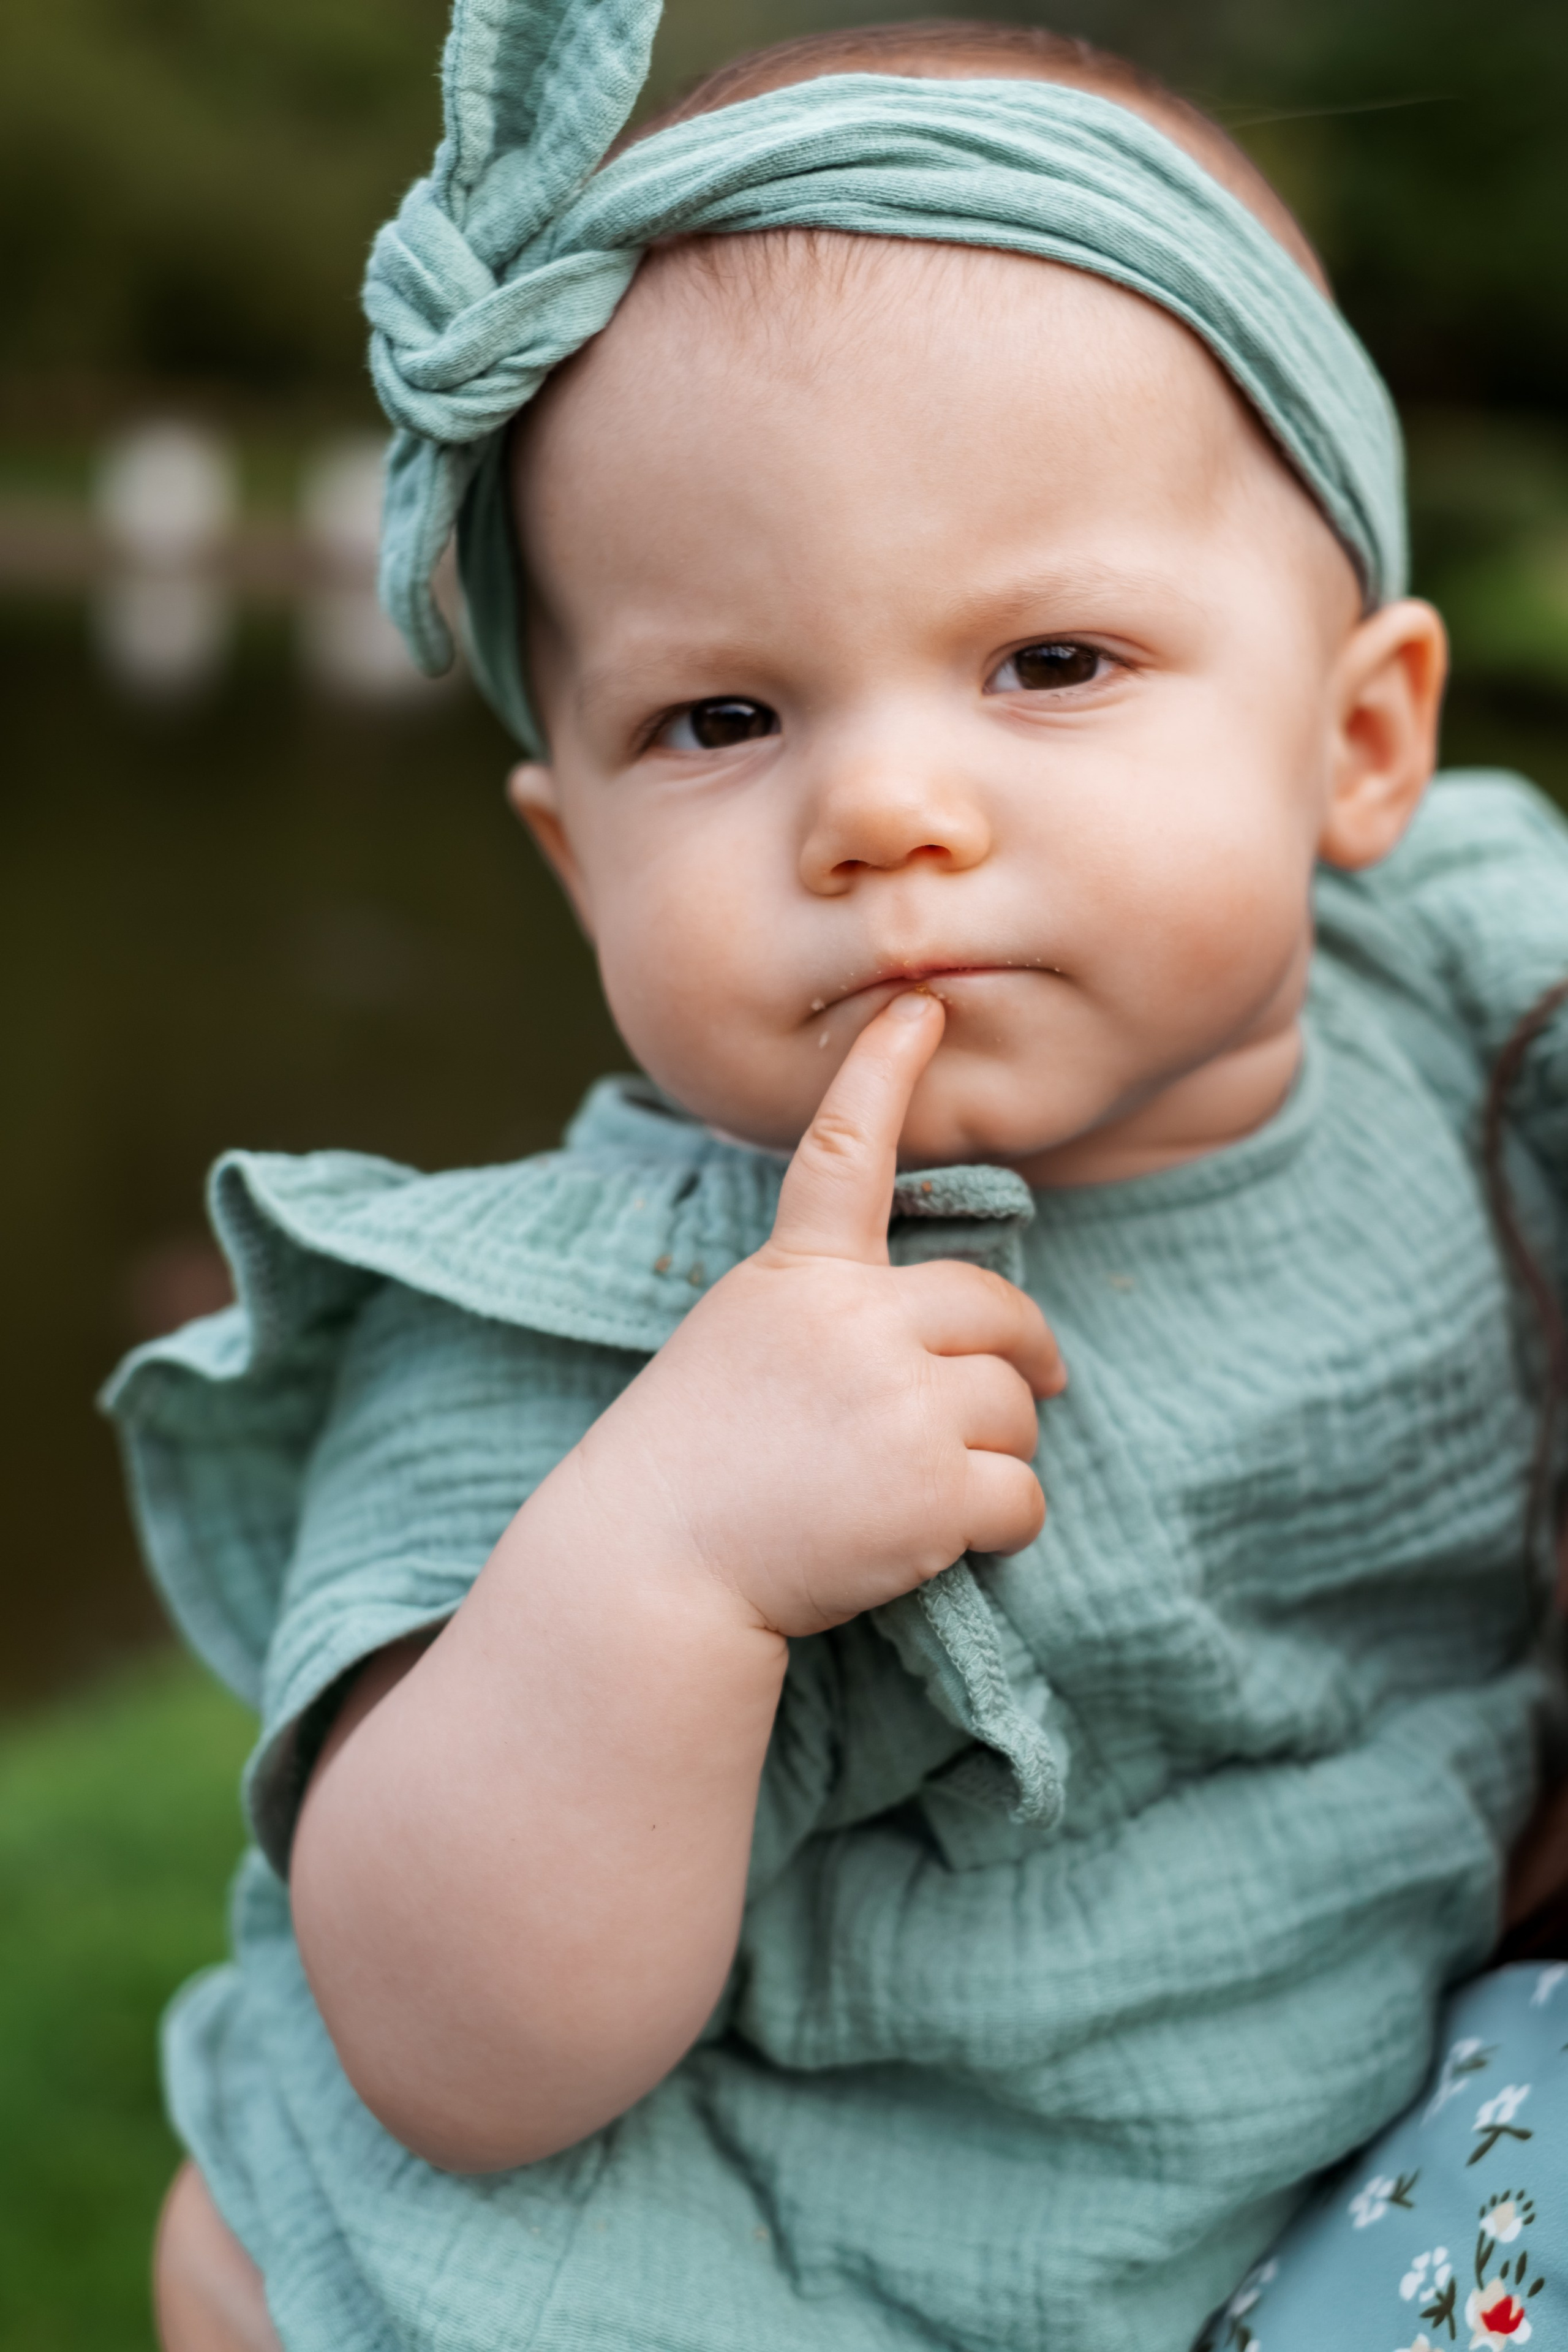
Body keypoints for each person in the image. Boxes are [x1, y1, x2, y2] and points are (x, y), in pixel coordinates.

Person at [107, 7, 1568, 2348]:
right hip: (818, 2255)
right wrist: (673, 1556)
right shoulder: (608, 1330)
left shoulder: (1475, 995)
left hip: (1335, 2137)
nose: (884, 807)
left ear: (1365, 739)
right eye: (722, 717)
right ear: (575, 865)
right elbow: (448, 2052)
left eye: (1052, 659)